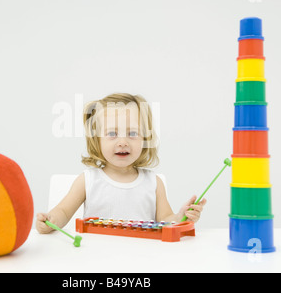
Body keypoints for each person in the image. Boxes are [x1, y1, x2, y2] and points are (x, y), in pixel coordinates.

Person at [36, 93, 206, 234]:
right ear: (97, 140)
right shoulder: (88, 180)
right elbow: (64, 211)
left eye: (132, 133)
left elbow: (166, 220)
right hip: (96, 257)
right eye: (112, 134)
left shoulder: (154, 183)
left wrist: (180, 217)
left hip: (144, 257)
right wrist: (51, 220)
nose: (123, 141)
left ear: (145, 139)